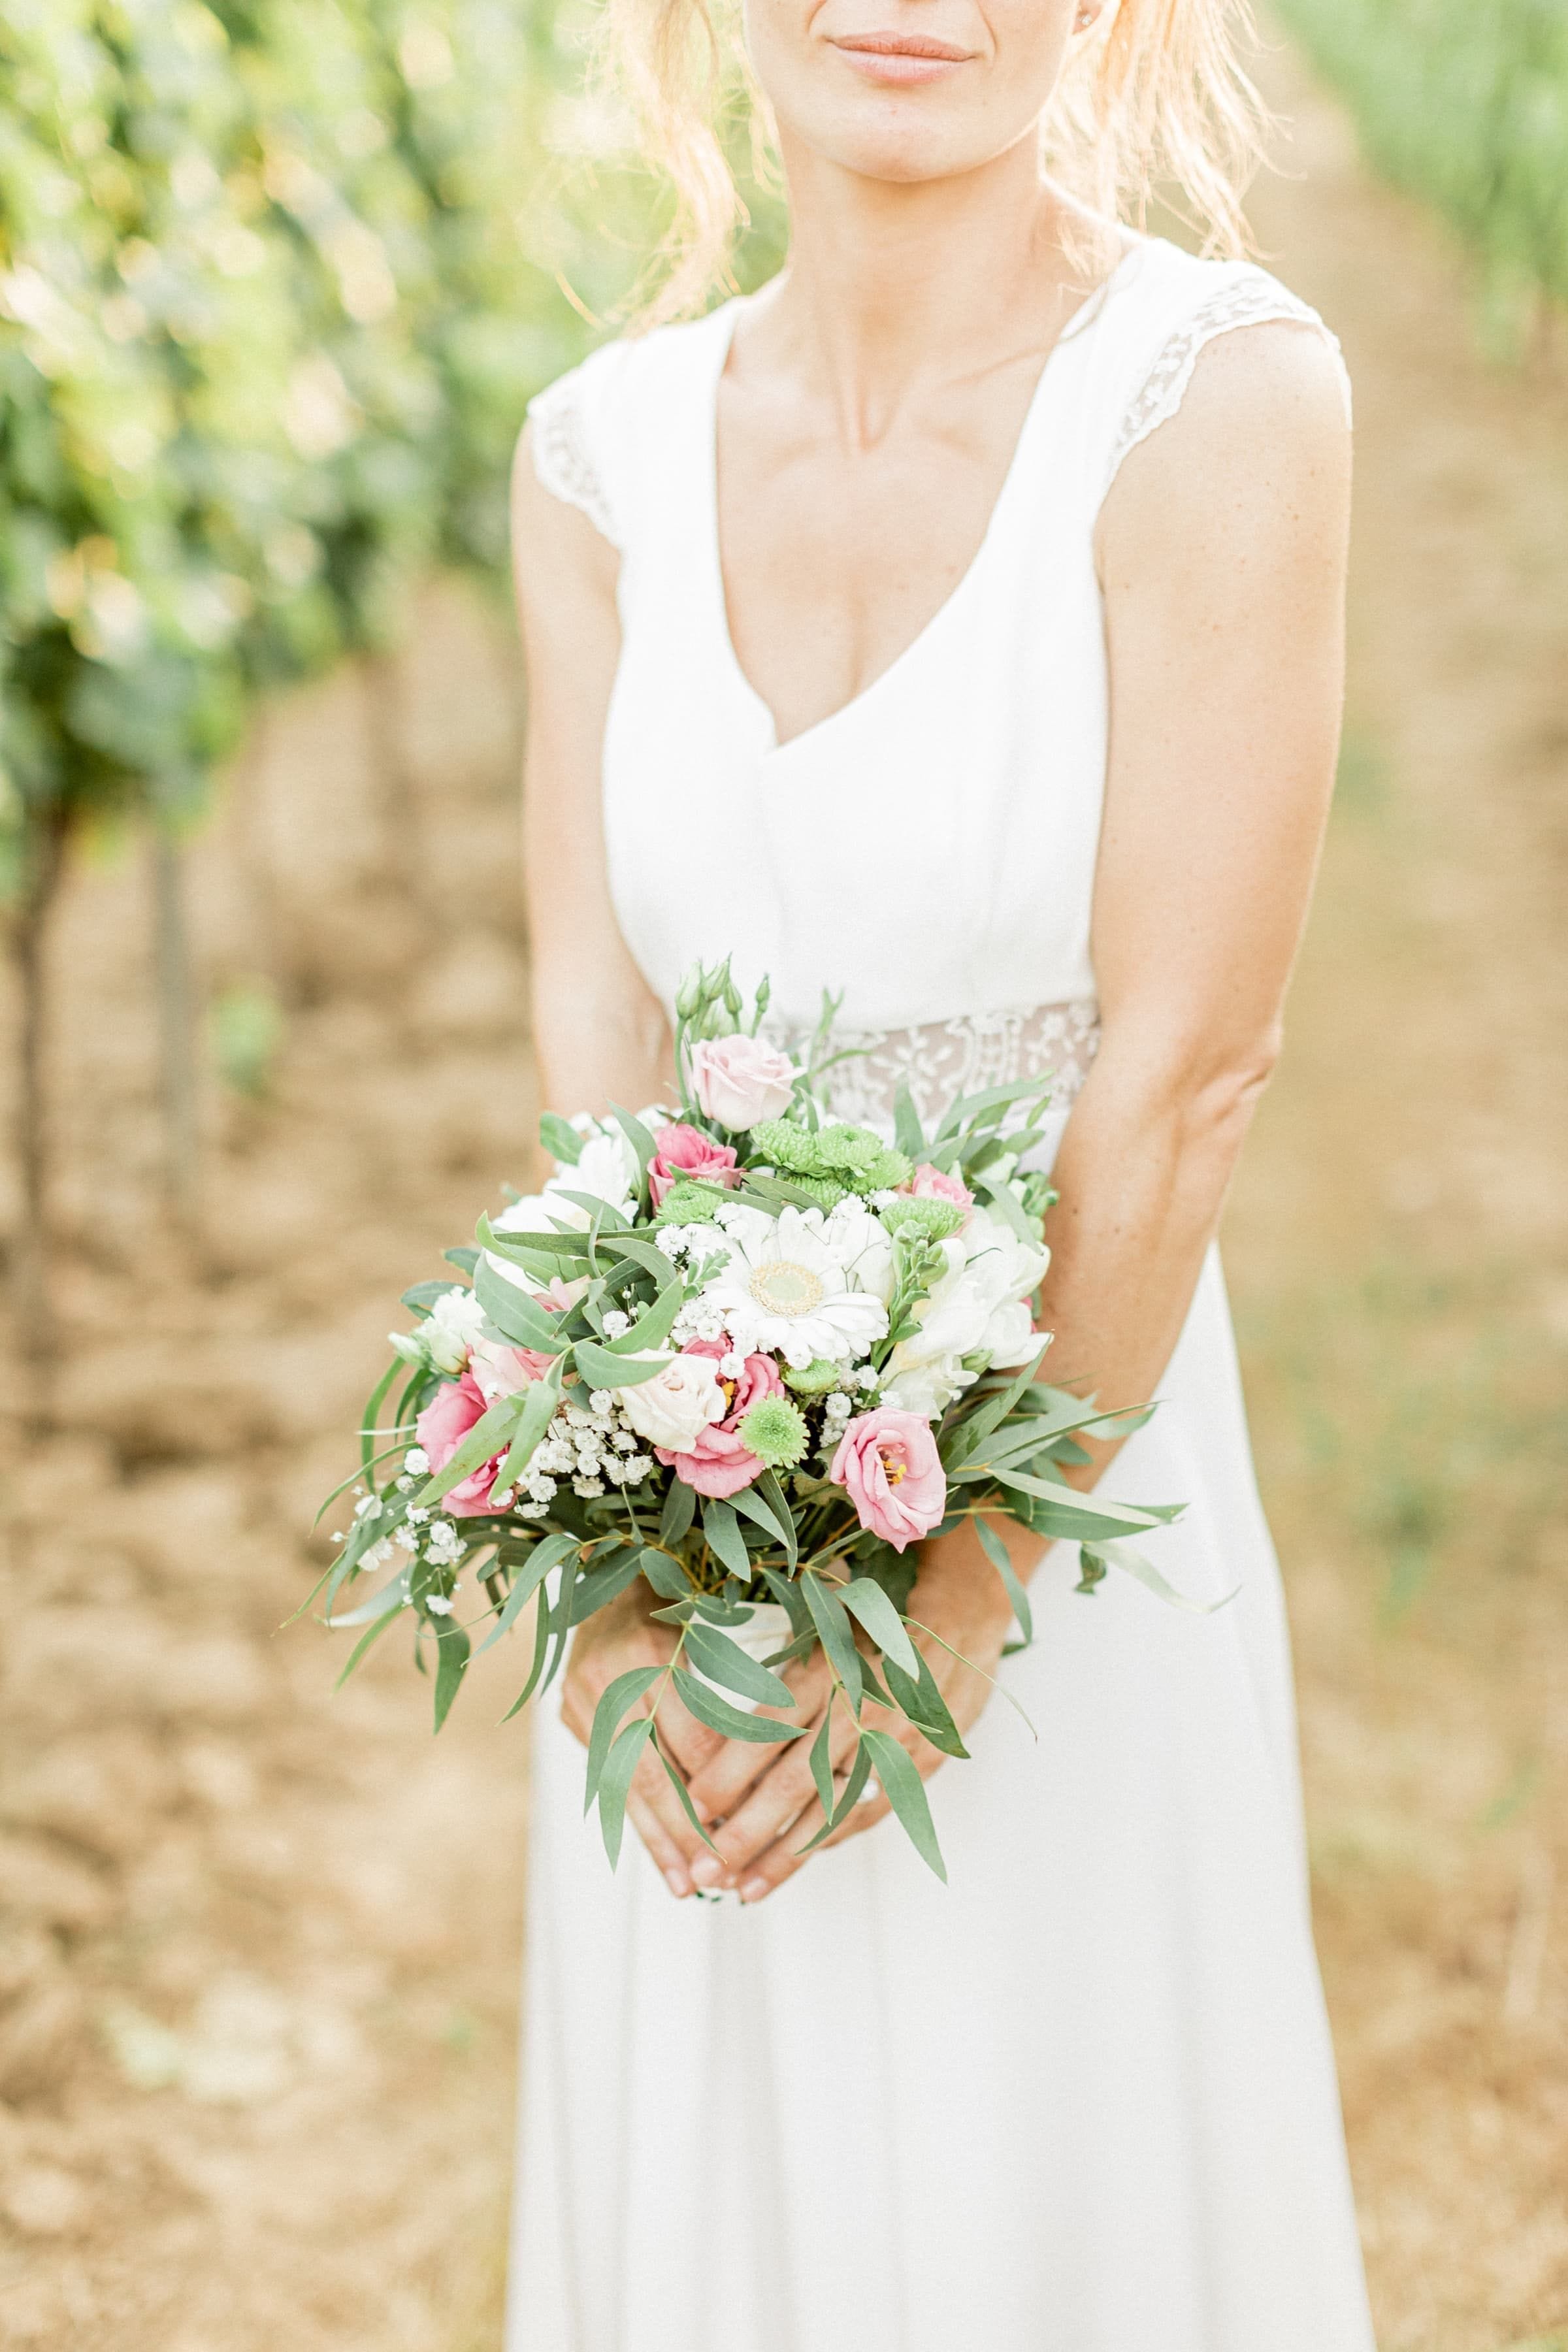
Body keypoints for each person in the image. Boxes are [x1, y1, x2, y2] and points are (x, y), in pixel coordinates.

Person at [506, 0, 1374, 2343]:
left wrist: (960, 1596)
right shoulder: (595, 458)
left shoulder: (1215, 399)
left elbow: (1192, 1059)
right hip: (695, 1513)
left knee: (1047, 2187)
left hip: (1057, 1505)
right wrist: (609, 1582)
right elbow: (600, 1048)